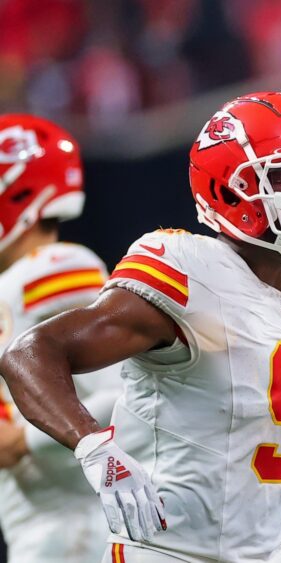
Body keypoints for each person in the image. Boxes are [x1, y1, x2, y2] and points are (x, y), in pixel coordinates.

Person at [0, 92, 281, 562]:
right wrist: (93, 446)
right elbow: (30, 353)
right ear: (230, 189)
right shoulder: (188, 273)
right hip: (166, 551)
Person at [0, 114, 123, 563]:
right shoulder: (15, 283)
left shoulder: (54, 268)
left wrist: (24, 441)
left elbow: (124, 399)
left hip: (80, 528)